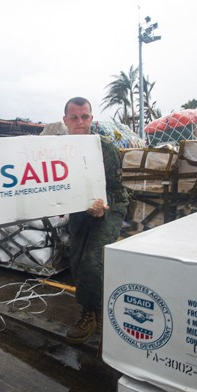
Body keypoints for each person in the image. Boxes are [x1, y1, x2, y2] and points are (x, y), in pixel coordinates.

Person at [62, 97, 129, 344]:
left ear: (91, 118)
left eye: (85, 117)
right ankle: (91, 307)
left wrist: (103, 207)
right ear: (65, 120)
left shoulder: (105, 148)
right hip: (80, 208)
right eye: (74, 117)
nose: (80, 123)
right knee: (77, 260)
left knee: (92, 259)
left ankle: (93, 313)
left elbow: (115, 187)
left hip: (109, 206)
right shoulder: (58, 149)